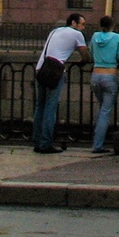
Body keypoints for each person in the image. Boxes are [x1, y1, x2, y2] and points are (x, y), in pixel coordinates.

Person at [32, 12, 87, 153]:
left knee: (40, 106)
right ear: (73, 23)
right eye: (82, 24)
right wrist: (82, 61)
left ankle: (37, 142)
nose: (83, 28)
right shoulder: (77, 34)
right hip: (55, 71)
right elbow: (85, 54)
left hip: (41, 68)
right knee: (51, 107)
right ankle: (46, 143)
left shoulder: (55, 31)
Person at [88, 15, 119, 155]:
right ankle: (98, 145)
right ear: (112, 25)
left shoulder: (95, 36)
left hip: (95, 75)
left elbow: (91, 53)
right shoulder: (117, 38)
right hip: (110, 75)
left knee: (101, 108)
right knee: (105, 111)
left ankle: (96, 137)